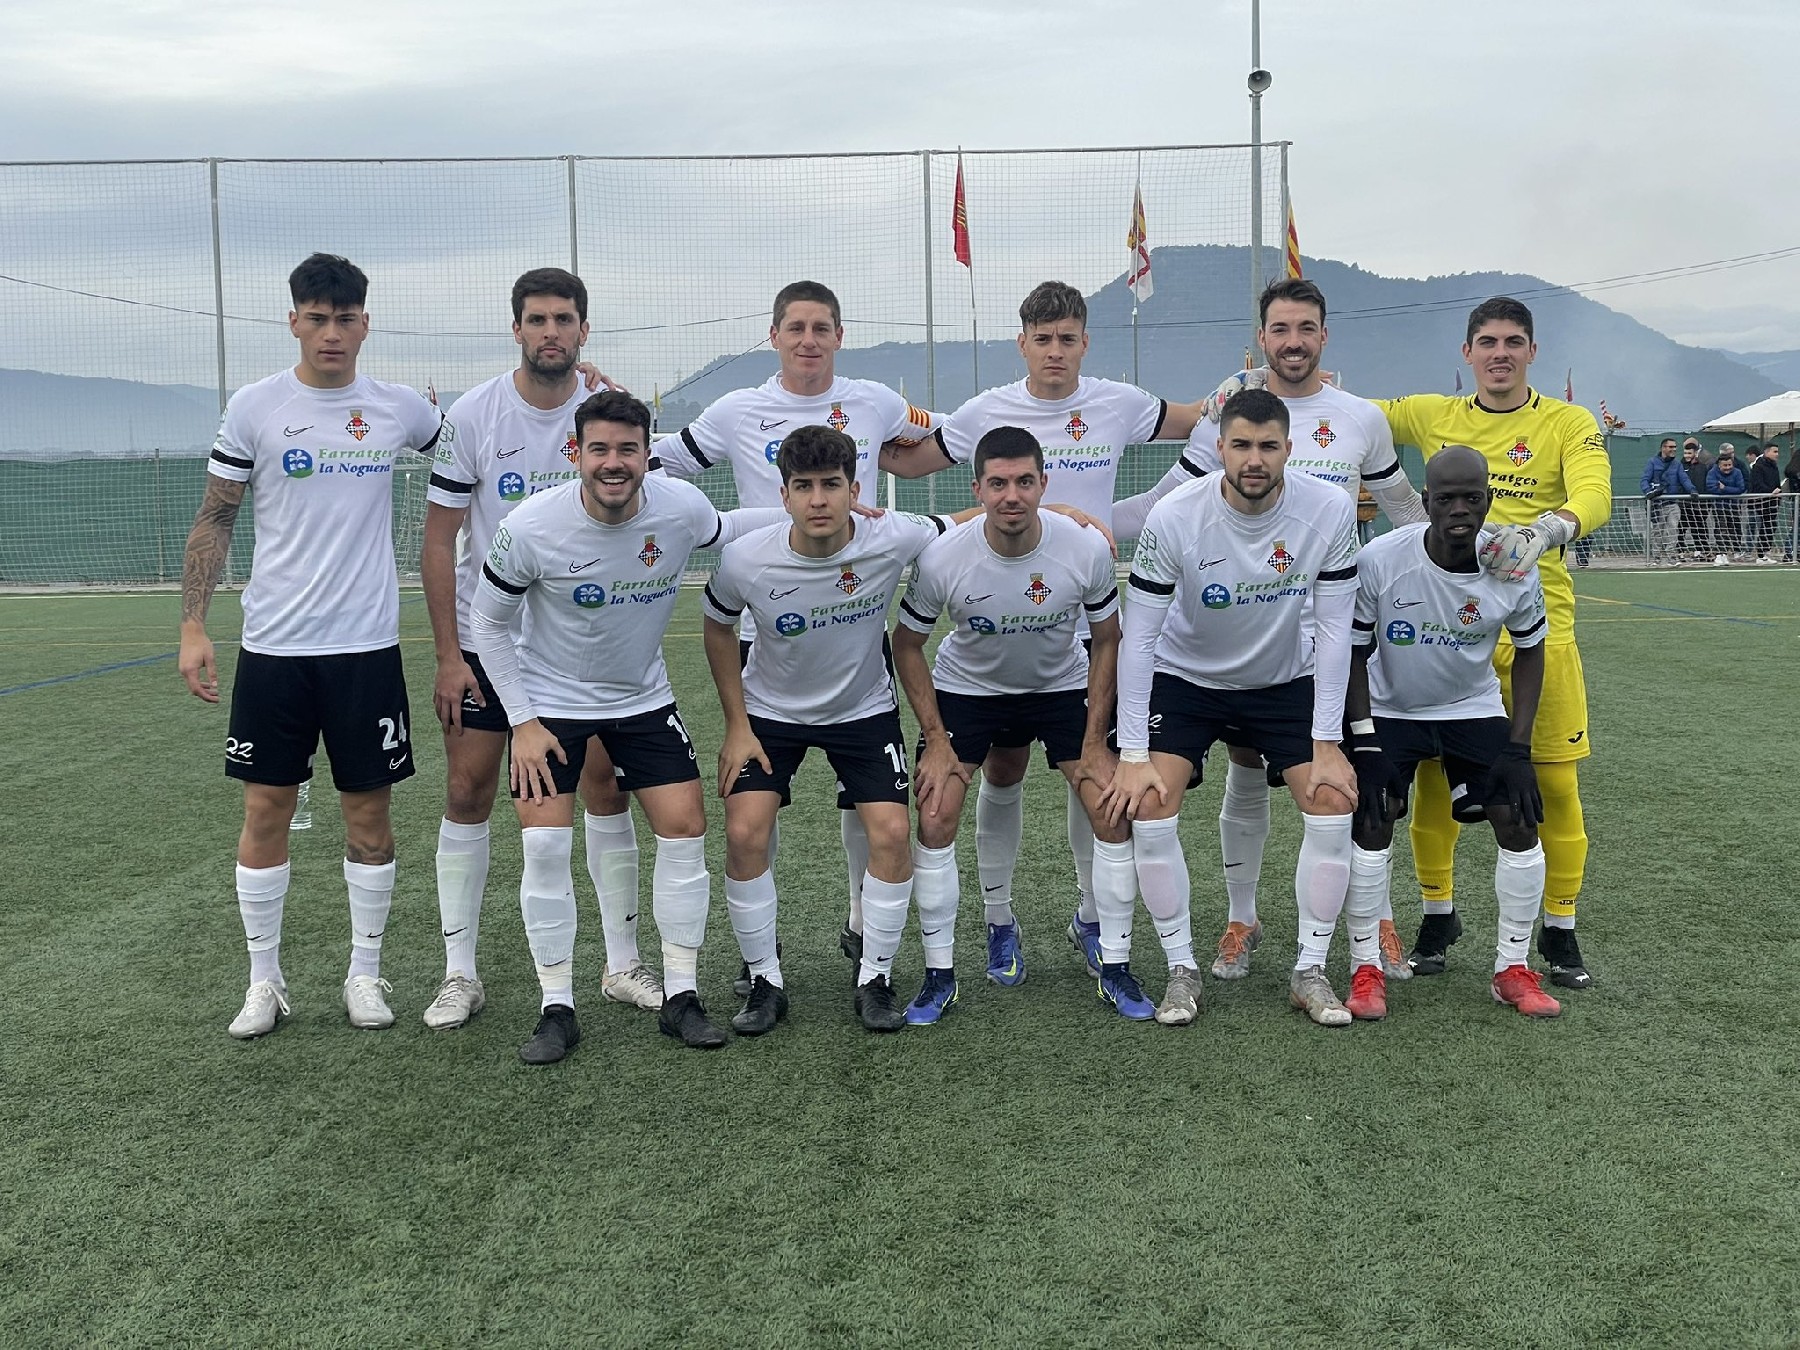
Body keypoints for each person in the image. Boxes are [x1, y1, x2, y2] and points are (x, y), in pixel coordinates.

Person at [881, 279, 1208, 989]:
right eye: (1042, 339)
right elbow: (904, 461)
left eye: (1067, 339)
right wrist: (861, 441)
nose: (1055, 351)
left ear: (1085, 343)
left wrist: (1142, 508)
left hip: (1085, 616)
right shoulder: (983, 413)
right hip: (998, 617)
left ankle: (1093, 918)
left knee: (1096, 778)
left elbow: (1199, 424)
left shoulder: (1120, 401)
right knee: (1002, 771)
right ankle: (1000, 921)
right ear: (1022, 344)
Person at [469, 391, 789, 1061]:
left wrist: (819, 510)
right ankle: (557, 1007)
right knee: (545, 846)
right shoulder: (531, 526)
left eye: (627, 450)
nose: (613, 463)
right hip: (550, 704)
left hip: (643, 698)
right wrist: (522, 723)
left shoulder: (680, 507)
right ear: (575, 454)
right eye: (599, 450)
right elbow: (488, 623)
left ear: (648, 454)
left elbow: (728, 526)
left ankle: (681, 997)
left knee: (685, 830)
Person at [178, 253, 444, 1039]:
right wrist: (193, 625)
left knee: (370, 817)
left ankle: (365, 973)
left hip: (366, 650)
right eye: (318, 318)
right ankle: (264, 981)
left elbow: (479, 448)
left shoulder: (398, 408)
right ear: (293, 320)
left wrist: (582, 395)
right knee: (267, 809)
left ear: (366, 324)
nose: (332, 333)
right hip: (275, 650)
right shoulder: (256, 406)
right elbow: (217, 516)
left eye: (346, 319)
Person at [655, 280, 943, 984]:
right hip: (768, 624)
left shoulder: (876, 401)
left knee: (869, 802)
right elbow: (657, 463)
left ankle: (862, 926)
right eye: (796, 327)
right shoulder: (736, 410)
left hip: (853, 615)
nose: (808, 340)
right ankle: (761, 963)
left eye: (821, 328)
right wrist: (725, 526)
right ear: (774, 336)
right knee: (753, 818)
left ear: (840, 336)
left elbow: (942, 436)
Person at [1141, 278, 1427, 986]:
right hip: (1230, 631)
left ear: (1324, 336)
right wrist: (1071, 519)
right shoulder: (1225, 416)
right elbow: (1162, 506)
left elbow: (1404, 513)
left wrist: (1460, 568)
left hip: (1325, 642)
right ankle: (1242, 919)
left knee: (1354, 777)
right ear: (1261, 337)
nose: (1293, 342)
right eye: (1280, 329)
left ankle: (1377, 917)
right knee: (1244, 771)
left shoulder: (1361, 418)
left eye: (1305, 328)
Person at [419, 268, 649, 1033]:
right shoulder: (475, 415)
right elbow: (440, 541)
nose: (551, 332)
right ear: (516, 329)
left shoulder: (606, 412)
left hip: (583, 648)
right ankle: (460, 974)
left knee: (605, 790)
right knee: (467, 791)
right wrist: (449, 655)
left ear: (584, 329)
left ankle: (622, 965)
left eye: (564, 319)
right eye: (538, 319)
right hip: (491, 645)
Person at [1102, 387, 1362, 1028]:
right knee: (1150, 804)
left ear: (1289, 449)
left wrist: (1328, 741)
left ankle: (1310, 970)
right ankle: (1181, 969)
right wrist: (1132, 753)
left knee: (1332, 799)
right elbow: (1139, 639)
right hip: (1187, 679)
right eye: (1241, 445)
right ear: (1219, 447)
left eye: (1268, 446)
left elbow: (1335, 631)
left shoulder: (1329, 509)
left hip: (1281, 679)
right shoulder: (1175, 516)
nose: (1254, 459)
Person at [1378, 296, 1611, 989]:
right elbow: (1349, 416)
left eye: (1513, 341)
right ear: (1468, 352)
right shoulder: (1434, 414)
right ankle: (1437, 914)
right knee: (1431, 781)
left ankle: (1559, 927)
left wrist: (1546, 530)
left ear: (1532, 351)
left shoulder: (1567, 422)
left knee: (1552, 785)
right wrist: (1268, 386)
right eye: (1488, 342)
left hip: (1539, 629)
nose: (1500, 353)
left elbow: (1595, 494)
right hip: (1446, 629)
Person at [701, 426, 960, 1034]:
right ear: (784, 495)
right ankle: (764, 980)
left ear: (855, 490)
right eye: (804, 487)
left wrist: (1067, 512)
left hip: (862, 711)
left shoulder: (891, 537)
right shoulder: (746, 559)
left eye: (831, 485)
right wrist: (737, 725)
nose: (818, 500)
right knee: (744, 831)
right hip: (770, 714)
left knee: (892, 833)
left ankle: (875, 978)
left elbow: (966, 520)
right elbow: (717, 627)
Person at [891, 426, 1153, 1024]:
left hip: (1058, 686)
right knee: (934, 813)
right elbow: (906, 644)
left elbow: (1107, 638)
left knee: (1110, 808)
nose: (1012, 495)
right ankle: (958, 959)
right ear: (977, 489)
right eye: (999, 483)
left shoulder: (1083, 548)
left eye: (1024, 482)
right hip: (970, 690)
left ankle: (1113, 961)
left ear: (1043, 484)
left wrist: (1095, 741)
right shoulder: (944, 556)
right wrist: (936, 741)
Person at [1342, 446, 1561, 1020]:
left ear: (1488, 500)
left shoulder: (1512, 564)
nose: (1459, 510)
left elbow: (1532, 650)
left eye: (1471, 498)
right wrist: (1364, 741)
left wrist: (1519, 749)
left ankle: (1512, 968)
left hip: (1471, 707)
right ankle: (1366, 967)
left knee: (1518, 812)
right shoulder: (1382, 559)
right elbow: (1352, 651)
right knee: (1373, 814)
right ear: (1426, 501)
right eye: (1446, 499)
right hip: (1392, 708)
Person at [1639, 437, 1693, 565]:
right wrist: (1649, 492)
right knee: (1657, 531)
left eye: (1675, 447)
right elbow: (1644, 479)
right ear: (1663, 448)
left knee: (1673, 530)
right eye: (1671, 447)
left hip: (1672, 503)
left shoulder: (1677, 464)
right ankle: (1656, 558)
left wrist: (1692, 490)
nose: (1674, 449)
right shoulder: (1652, 462)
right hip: (1657, 504)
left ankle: (1671, 557)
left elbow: (1684, 479)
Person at [1707, 446, 1746, 558]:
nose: (1728, 467)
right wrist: (1730, 490)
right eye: (1725, 465)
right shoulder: (1712, 472)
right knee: (1720, 529)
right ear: (1719, 465)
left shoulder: (1737, 472)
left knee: (1736, 528)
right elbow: (1711, 488)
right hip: (1719, 507)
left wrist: (1724, 488)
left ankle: (1737, 551)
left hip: (1734, 506)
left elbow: (1741, 488)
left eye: (1730, 465)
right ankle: (1721, 553)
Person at [1678, 438, 1714, 558]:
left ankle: (1702, 551)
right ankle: (1680, 551)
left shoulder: (1703, 467)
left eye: (1689, 453)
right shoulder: (1679, 466)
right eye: (1685, 453)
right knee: (1681, 528)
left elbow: (1705, 485)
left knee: (1699, 527)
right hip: (1683, 504)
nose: (1687, 456)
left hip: (1699, 504)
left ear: (1695, 453)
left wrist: (1705, 502)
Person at [1747, 443, 1782, 562]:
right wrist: (1770, 492)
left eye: (1777, 451)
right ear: (1766, 452)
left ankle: (1765, 552)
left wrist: (1778, 494)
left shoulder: (1774, 466)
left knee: (1771, 526)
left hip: (1773, 502)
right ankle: (1760, 554)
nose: (1777, 454)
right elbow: (1757, 485)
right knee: (1762, 527)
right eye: (1774, 451)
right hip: (1761, 502)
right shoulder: (1758, 467)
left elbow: (1777, 483)